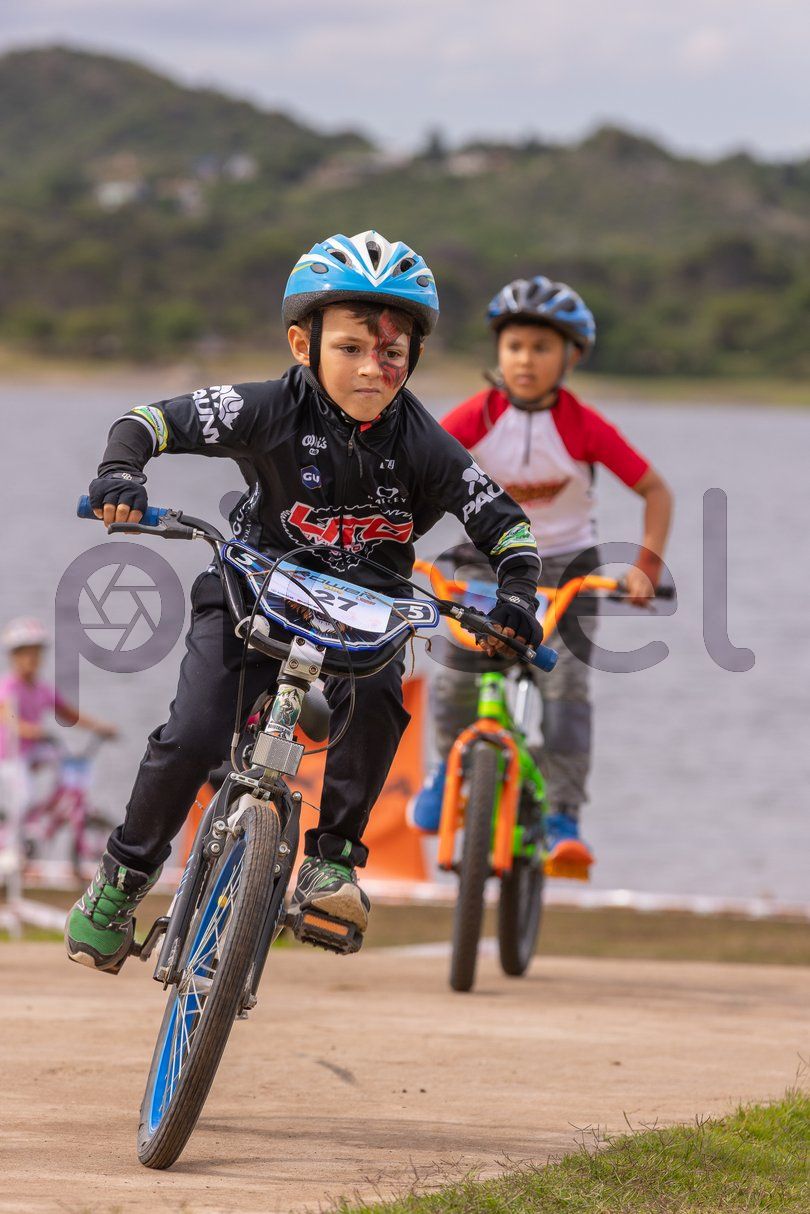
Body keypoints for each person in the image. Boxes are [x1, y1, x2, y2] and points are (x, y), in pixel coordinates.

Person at [65, 230, 544, 973]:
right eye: (351, 348)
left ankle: (332, 864)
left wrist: (516, 595)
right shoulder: (266, 408)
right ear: (302, 344)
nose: (372, 368)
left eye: (391, 352)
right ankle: (121, 880)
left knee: (378, 702)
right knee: (192, 736)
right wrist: (120, 474)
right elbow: (147, 422)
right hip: (254, 586)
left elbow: (506, 526)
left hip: (367, 609)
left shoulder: (427, 444)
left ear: (415, 356)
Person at [408, 276, 673, 878]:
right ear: (498, 352)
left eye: (542, 348)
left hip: (567, 568)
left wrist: (646, 567)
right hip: (484, 561)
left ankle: (563, 817)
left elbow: (655, 490)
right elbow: (415, 472)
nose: (525, 360)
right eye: (515, 346)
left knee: (566, 690)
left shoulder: (583, 425)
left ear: (571, 357)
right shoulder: (474, 417)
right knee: (456, 675)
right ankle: (445, 771)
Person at [0, 617, 117, 811]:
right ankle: (16, 831)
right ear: (14, 656)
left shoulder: (42, 689)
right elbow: (10, 720)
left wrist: (99, 726)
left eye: (36, 653)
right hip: (10, 757)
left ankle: (53, 809)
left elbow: (69, 715)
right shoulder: (7, 688)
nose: (32, 658)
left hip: (33, 749)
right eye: (26, 653)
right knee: (25, 799)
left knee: (65, 762)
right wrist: (31, 730)